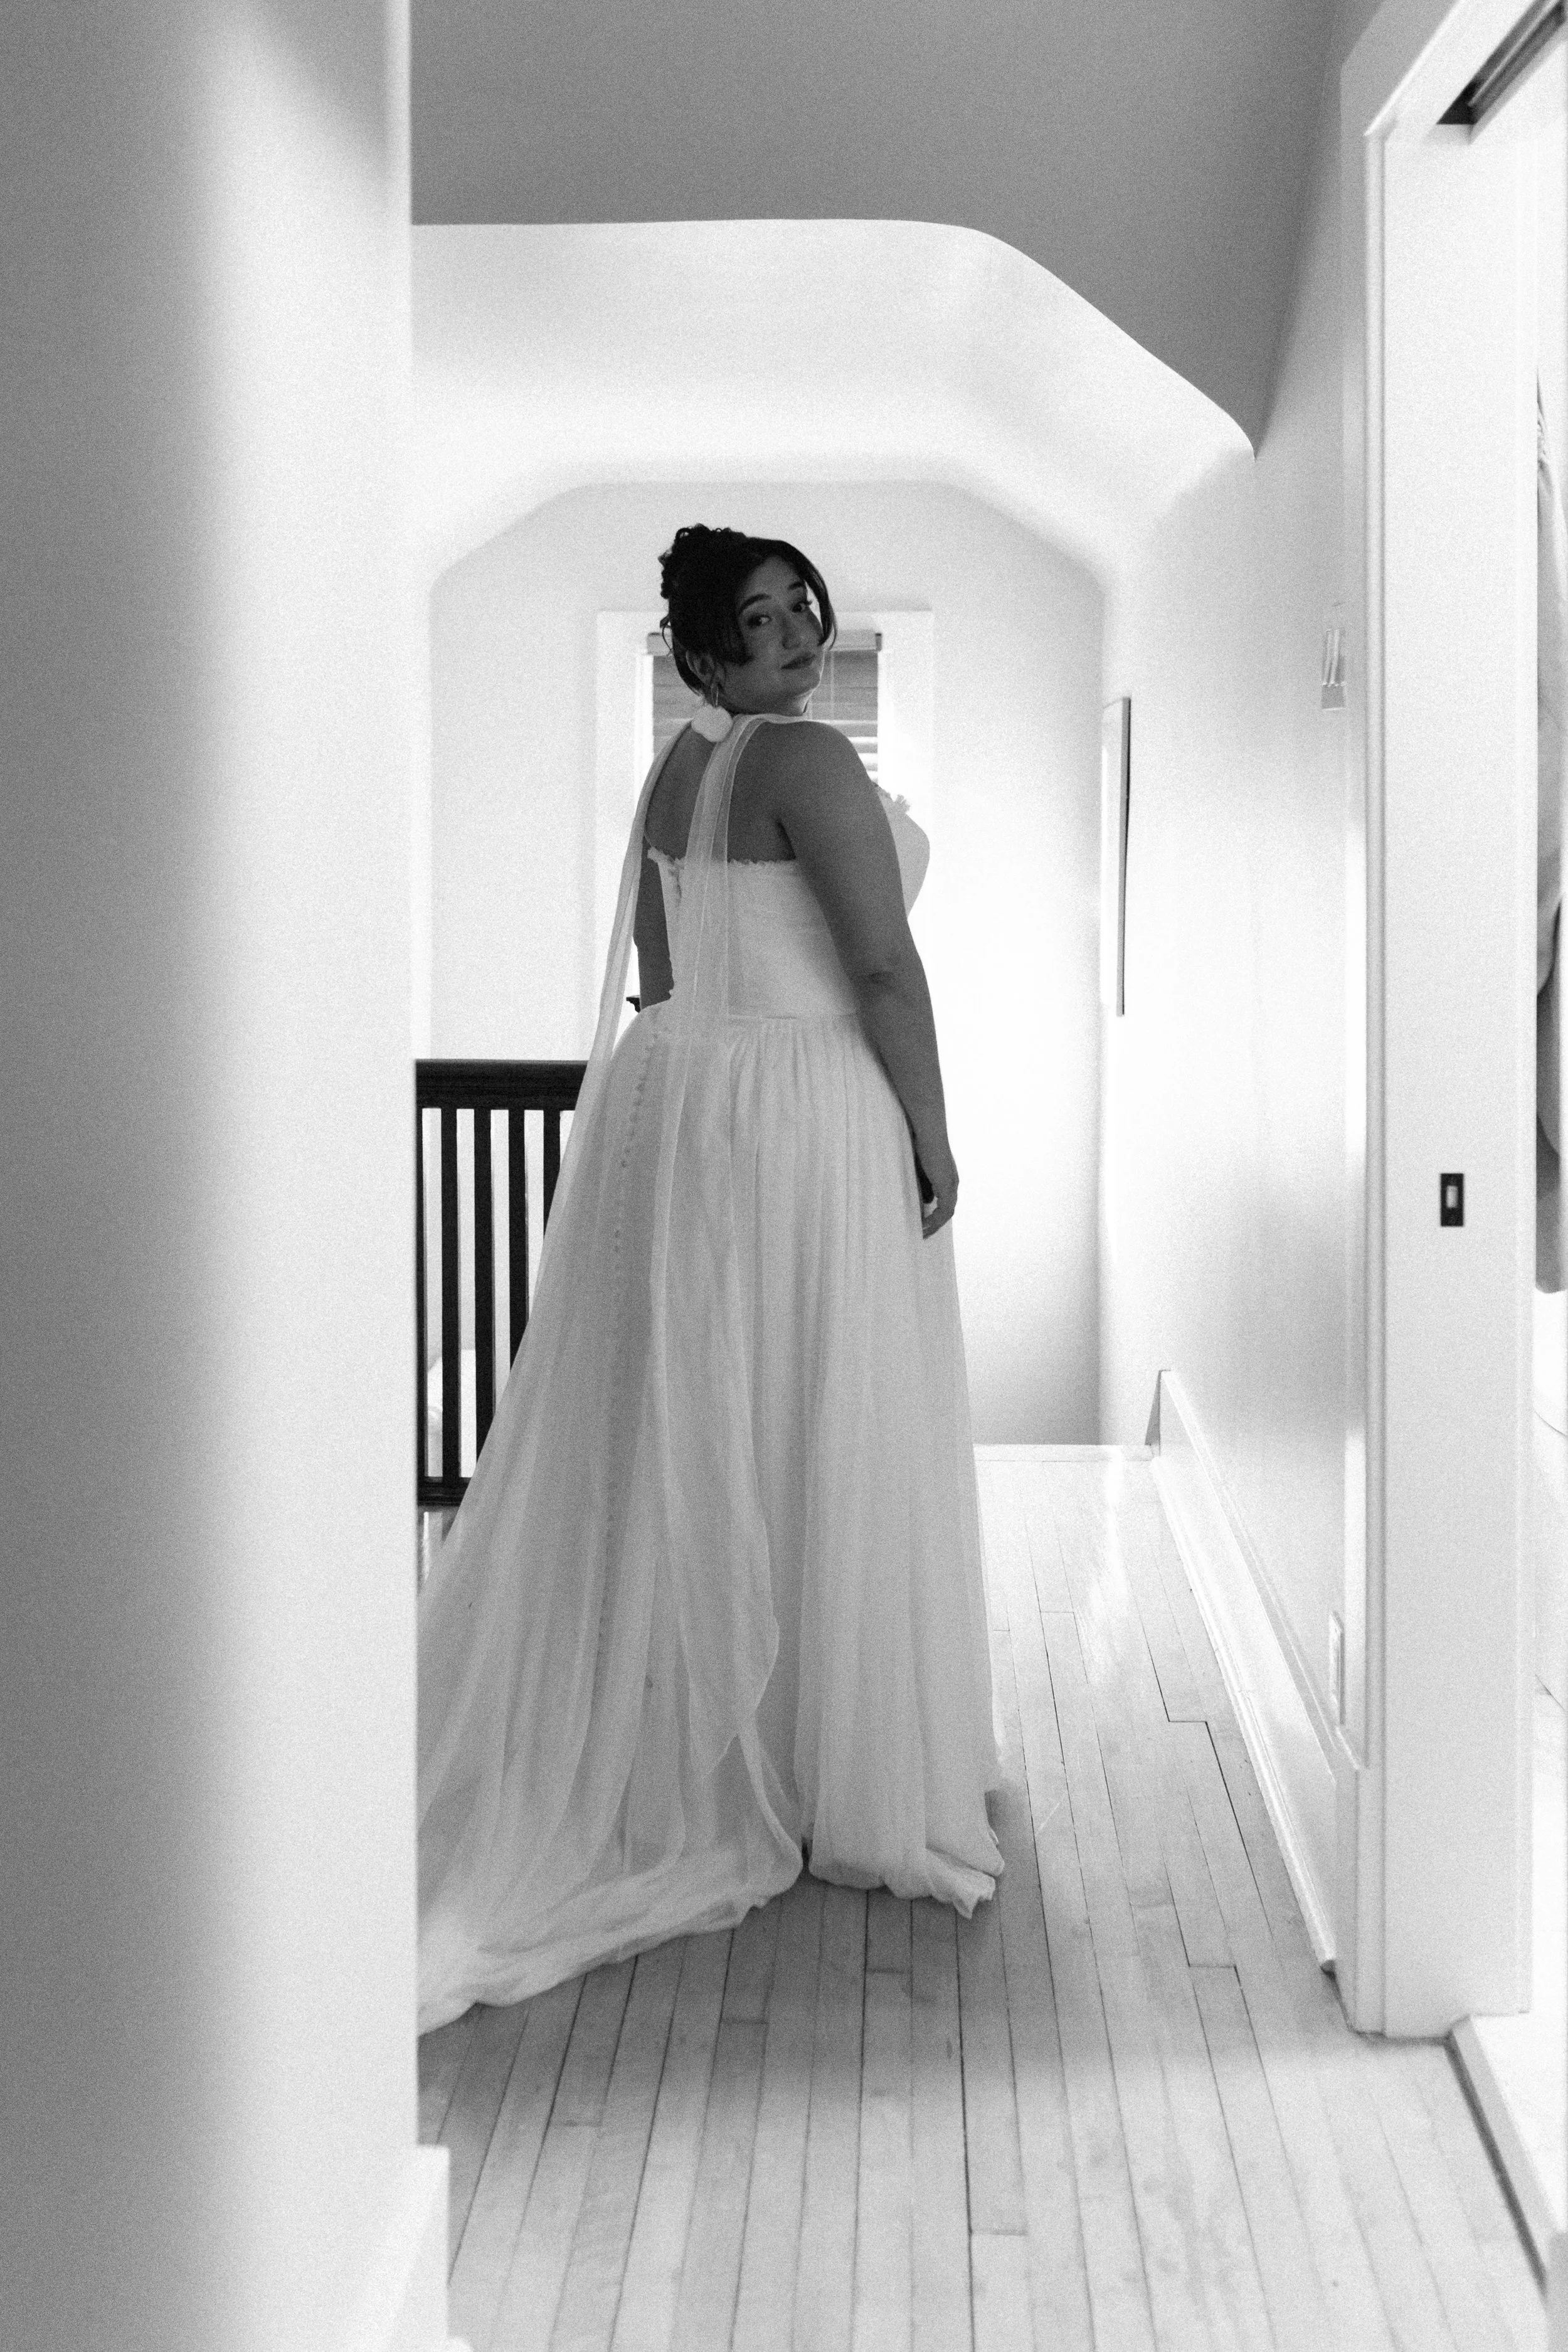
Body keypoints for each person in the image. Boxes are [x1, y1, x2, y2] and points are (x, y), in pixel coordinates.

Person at [416, 526, 1000, 2032]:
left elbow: (664, 977)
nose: (799, 633)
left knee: (704, 1422)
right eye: (761, 620)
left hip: (688, 1104)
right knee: (819, 1412)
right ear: (702, 650)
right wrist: (930, 1134)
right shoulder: (806, 765)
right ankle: (831, 1767)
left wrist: (694, 1111)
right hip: (803, 1107)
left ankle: (705, 1740)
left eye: (804, 607)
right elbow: (882, 973)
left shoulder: (683, 766)